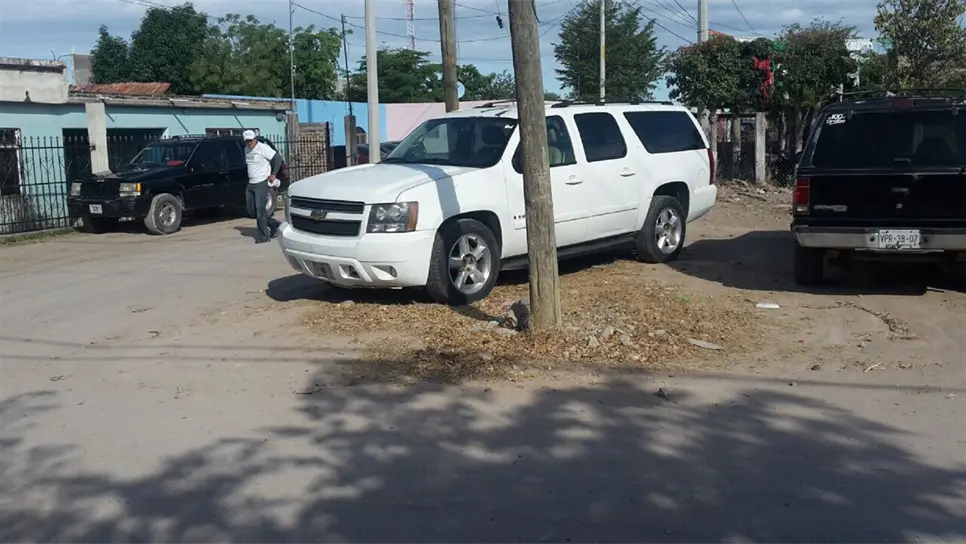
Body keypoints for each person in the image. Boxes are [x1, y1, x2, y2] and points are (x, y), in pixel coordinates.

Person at [243, 130, 282, 243]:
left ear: (255, 139)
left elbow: (277, 158)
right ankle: (274, 224)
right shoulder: (246, 150)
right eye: (247, 141)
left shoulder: (263, 148)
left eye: (251, 140)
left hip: (261, 182)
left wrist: (273, 174)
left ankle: (264, 236)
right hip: (251, 183)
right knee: (251, 210)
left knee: (260, 210)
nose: (249, 143)